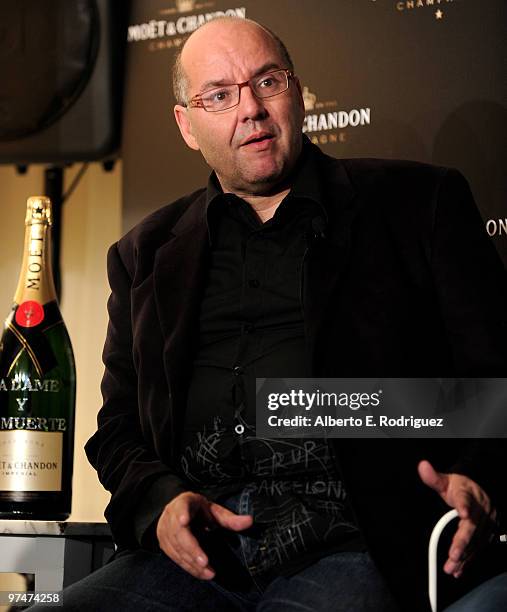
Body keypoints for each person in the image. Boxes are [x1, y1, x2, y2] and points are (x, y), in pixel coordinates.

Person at [34, 16, 507, 612]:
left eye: (267, 82)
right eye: (219, 95)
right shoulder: (144, 255)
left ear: (297, 93)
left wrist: (479, 475)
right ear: (186, 125)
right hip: (195, 559)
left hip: (350, 541)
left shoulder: (417, 204)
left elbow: (496, 377)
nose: (250, 109)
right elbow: (119, 428)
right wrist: (161, 504)